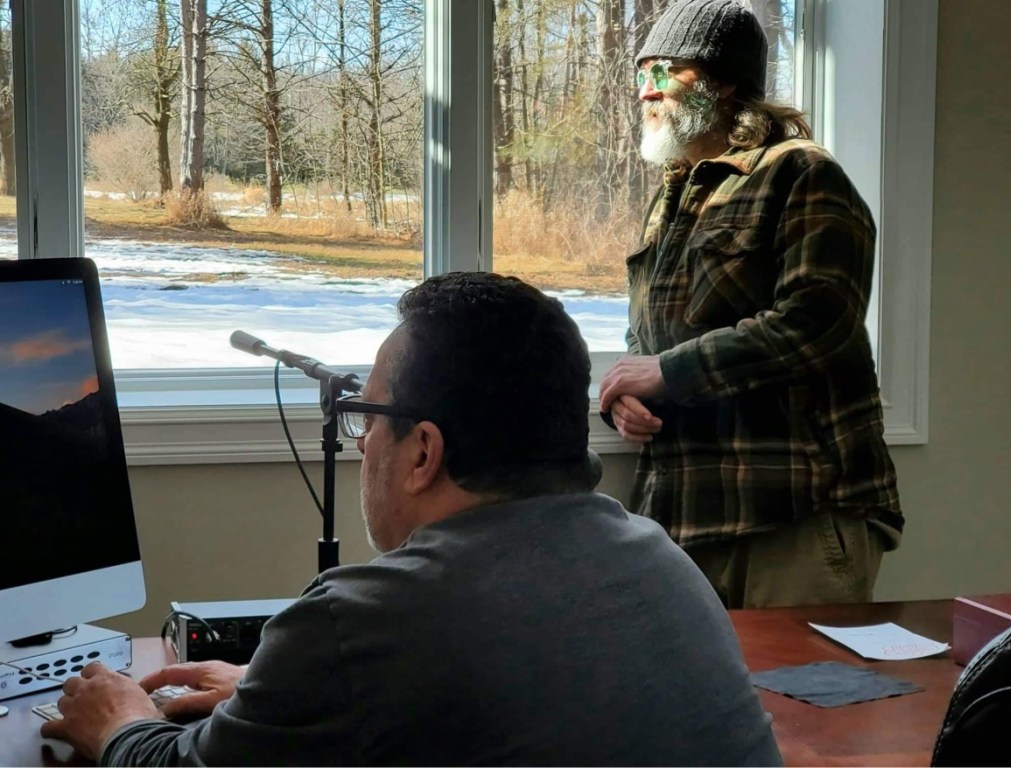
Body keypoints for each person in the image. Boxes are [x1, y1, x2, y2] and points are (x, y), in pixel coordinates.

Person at [43, 272, 782, 766]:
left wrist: (119, 717)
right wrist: (285, 697)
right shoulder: (659, 558)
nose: (361, 443)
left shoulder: (365, 618)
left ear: (423, 450)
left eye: (367, 418)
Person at [598, 0, 902, 609]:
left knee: (808, 678)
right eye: (640, 74)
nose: (644, 90)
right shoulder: (670, 201)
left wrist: (667, 372)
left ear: (721, 81)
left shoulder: (801, 173)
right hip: (685, 521)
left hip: (797, 515)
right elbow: (650, 341)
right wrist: (628, 401)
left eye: (662, 72)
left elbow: (818, 321)